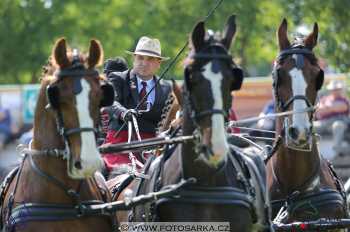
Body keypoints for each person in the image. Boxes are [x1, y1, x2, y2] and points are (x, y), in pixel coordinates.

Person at [102, 36, 171, 172]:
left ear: (159, 63)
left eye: (150, 59)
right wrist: (123, 112)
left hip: (152, 147)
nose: (144, 63)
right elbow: (110, 101)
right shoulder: (118, 78)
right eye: (140, 58)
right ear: (134, 59)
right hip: (120, 145)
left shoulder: (166, 88)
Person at [314, 80, 350, 154]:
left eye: (337, 89)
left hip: (338, 122)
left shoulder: (344, 99)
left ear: (340, 90)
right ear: (331, 90)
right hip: (323, 123)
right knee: (311, 126)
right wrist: (332, 107)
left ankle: (337, 148)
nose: (336, 91)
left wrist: (327, 108)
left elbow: (343, 107)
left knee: (338, 125)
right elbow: (318, 110)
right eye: (334, 89)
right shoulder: (324, 99)